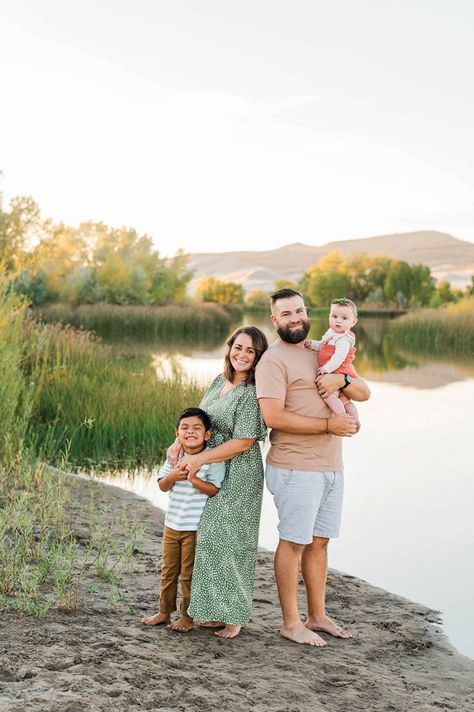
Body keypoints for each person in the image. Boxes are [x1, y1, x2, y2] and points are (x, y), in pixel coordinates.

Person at [255, 288, 370, 647]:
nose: (295, 319)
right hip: (294, 466)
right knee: (294, 542)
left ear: (308, 312)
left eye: (300, 311)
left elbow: (365, 391)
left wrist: (344, 381)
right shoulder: (272, 361)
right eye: (286, 314)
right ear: (275, 320)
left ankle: (317, 616)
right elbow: (272, 416)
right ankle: (291, 623)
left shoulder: (321, 348)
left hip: (331, 464)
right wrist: (327, 426)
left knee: (319, 543)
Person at [174, 326, 268, 639]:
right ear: (229, 348)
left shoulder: (252, 392)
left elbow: (244, 441)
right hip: (214, 466)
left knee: (232, 541)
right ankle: (213, 611)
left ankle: (234, 616)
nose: (242, 355)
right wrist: (179, 444)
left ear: (257, 358)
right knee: (211, 538)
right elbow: (199, 419)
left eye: (250, 351)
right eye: (238, 348)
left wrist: (199, 460)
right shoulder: (220, 381)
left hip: (240, 471)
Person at [142, 407, 226, 632]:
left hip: (194, 528)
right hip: (172, 525)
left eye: (197, 428)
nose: (191, 432)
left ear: (207, 434)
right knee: (168, 570)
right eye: (185, 428)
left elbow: (213, 490)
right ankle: (163, 611)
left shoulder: (211, 459)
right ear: (177, 433)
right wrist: (173, 475)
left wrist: (193, 478)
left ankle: (187, 617)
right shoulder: (174, 456)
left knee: (188, 574)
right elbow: (162, 485)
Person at [304, 297, 360, 424]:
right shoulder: (332, 334)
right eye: (334, 316)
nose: (338, 320)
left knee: (329, 396)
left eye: (344, 318)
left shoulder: (344, 339)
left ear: (353, 322)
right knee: (345, 401)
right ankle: (355, 420)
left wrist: (326, 369)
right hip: (336, 371)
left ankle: (342, 417)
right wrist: (312, 344)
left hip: (337, 371)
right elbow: (322, 346)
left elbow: (339, 357)